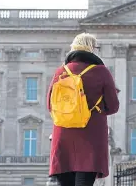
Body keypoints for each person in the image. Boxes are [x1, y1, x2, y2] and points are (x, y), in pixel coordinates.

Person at [46, 33, 119, 186]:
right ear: (92, 49)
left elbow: (50, 105)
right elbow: (113, 106)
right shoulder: (101, 71)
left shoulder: (61, 71)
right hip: (90, 136)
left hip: (63, 136)